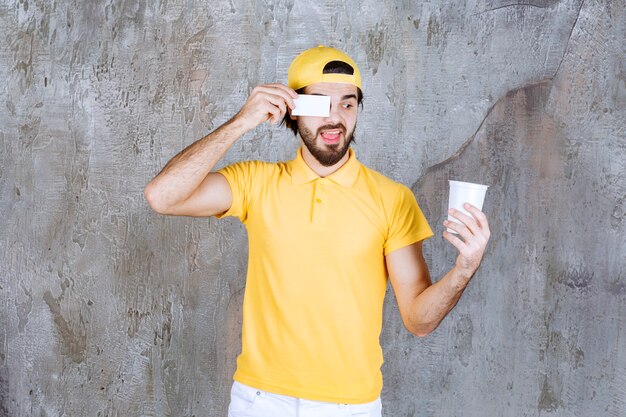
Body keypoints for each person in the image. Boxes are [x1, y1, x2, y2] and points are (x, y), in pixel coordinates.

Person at [144, 45, 490, 417]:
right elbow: (162, 197)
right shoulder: (256, 182)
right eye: (320, 103)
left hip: (349, 406)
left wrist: (464, 269)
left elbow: (419, 322)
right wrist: (241, 122)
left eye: (347, 103)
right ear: (293, 112)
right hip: (259, 400)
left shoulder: (393, 200)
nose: (335, 118)